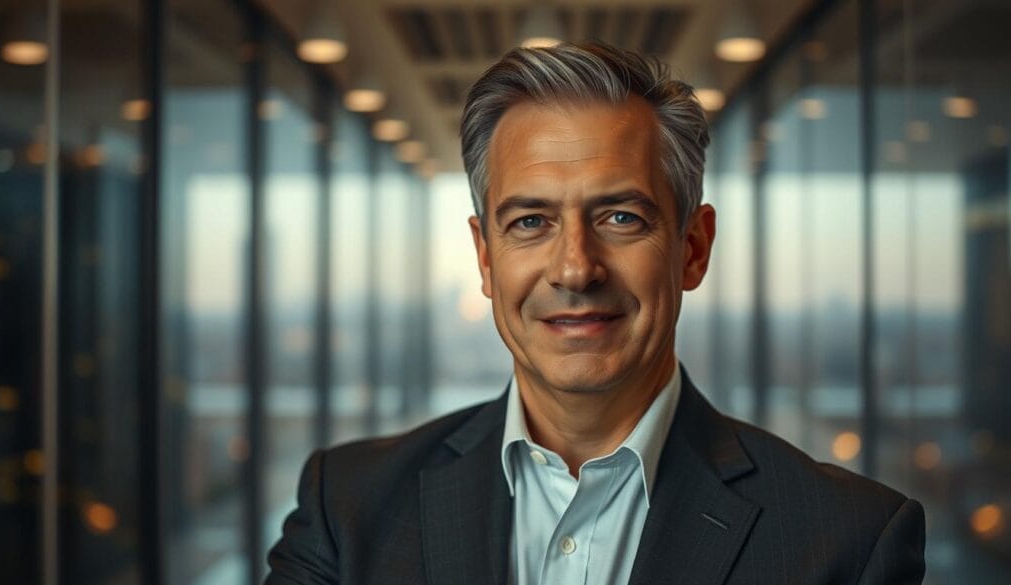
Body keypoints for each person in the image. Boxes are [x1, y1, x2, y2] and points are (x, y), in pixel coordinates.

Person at [265, 41, 925, 585]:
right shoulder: (346, 507)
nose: (576, 269)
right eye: (530, 221)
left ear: (693, 249)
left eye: (621, 217)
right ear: (486, 259)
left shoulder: (849, 542)